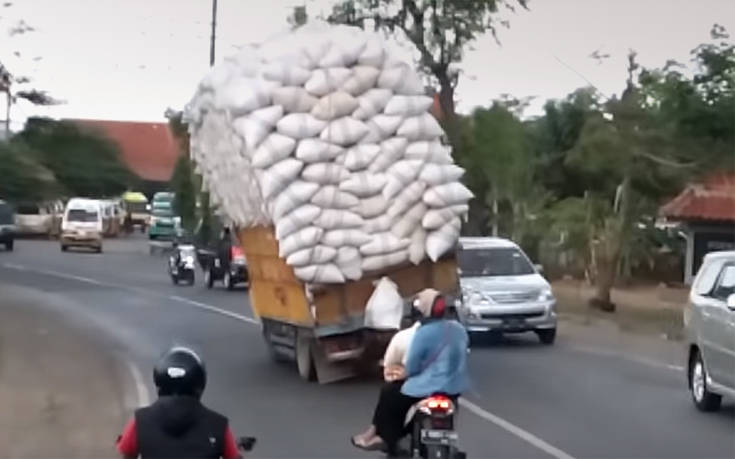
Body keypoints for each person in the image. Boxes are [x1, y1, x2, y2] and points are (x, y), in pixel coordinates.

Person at [352, 289, 469, 455]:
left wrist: (403, 374)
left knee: (389, 393)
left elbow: (412, 367)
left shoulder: (421, 333)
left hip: (423, 390)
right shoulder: (459, 329)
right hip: (453, 389)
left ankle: (386, 438)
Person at [116, 346, 242, 459]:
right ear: (199, 384)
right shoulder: (218, 425)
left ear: (159, 383)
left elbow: (126, 454)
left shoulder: (140, 422)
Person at [351, 308, 422, 450]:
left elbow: (391, 366)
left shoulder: (408, 336)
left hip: (420, 386)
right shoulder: (453, 333)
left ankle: (383, 436)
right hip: (450, 390)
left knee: (389, 392)